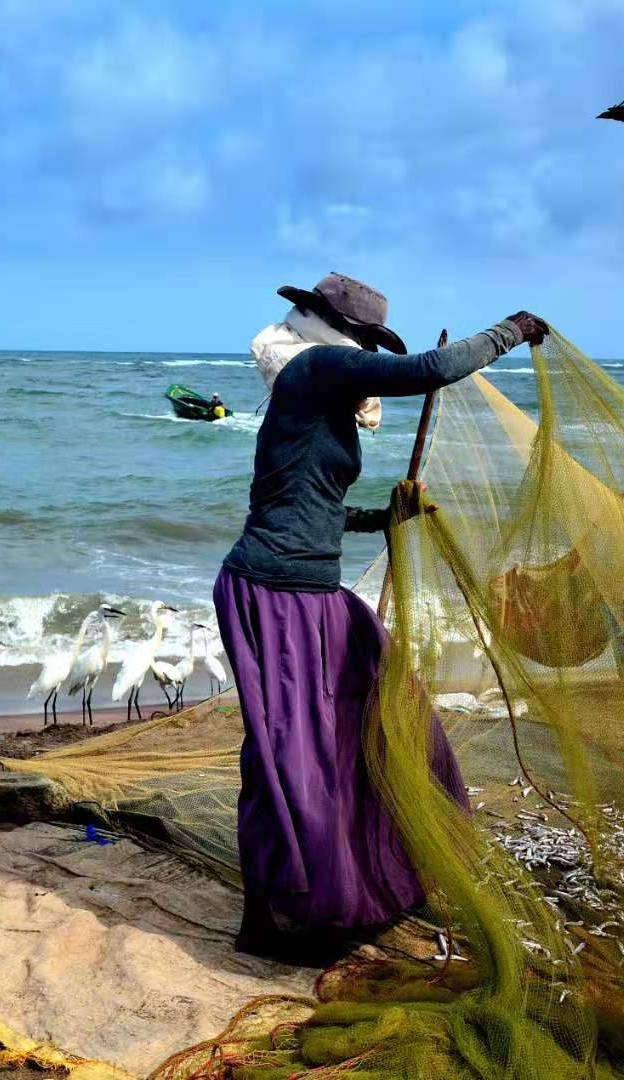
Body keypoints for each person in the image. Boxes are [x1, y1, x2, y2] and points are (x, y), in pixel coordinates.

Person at [215, 271, 547, 960]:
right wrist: (511, 330)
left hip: (313, 593)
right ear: (345, 335)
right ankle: (284, 917)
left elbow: (308, 508)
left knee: (376, 726)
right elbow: (429, 370)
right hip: (274, 595)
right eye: (366, 342)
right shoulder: (318, 366)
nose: (365, 356)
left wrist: (381, 518)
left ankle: (354, 883)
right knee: (290, 762)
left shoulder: (319, 399)